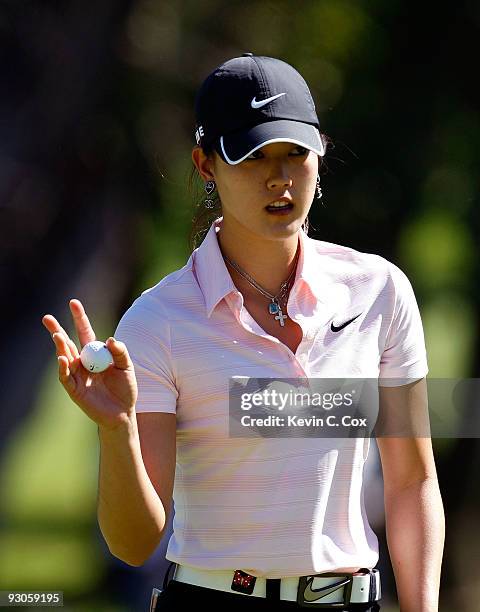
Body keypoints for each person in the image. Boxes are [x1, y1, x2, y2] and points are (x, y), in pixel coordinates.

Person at [42, 54, 445, 611]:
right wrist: (117, 432)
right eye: (253, 156)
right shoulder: (158, 321)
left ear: (320, 154)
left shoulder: (378, 292)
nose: (279, 177)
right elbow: (134, 545)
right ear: (206, 165)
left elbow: (412, 483)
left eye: (295, 154)